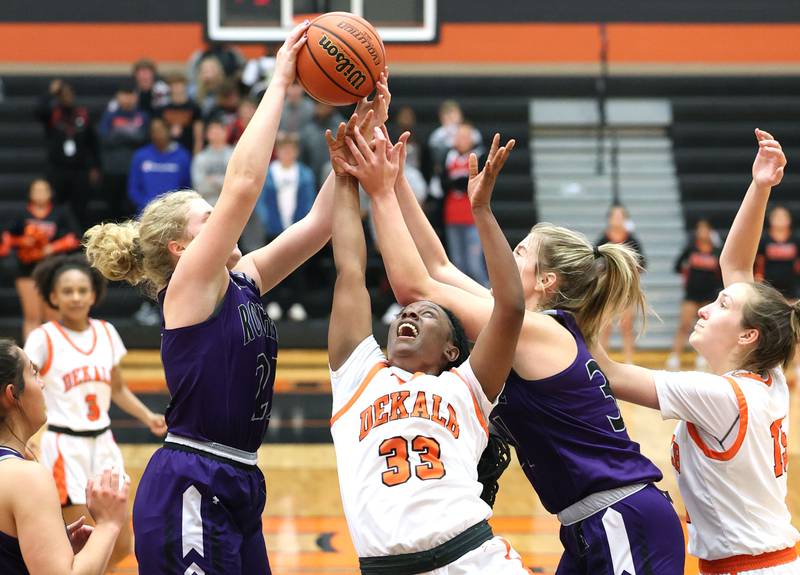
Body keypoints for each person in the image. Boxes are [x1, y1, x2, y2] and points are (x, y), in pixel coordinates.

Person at [83, 23, 388, 574]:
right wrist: (281, 80)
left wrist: (363, 131)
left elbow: (319, 225)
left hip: (239, 477)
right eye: (209, 217)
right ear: (181, 248)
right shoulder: (189, 287)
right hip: (192, 481)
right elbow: (244, 186)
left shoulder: (241, 279)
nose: (224, 219)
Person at [368, 123, 684, 573]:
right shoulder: (529, 328)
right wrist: (397, 179)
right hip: (589, 523)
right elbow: (438, 267)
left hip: (621, 517)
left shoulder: (537, 331)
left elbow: (414, 288)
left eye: (519, 252)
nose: (507, 257)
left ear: (546, 281)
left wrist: (380, 191)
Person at [591, 129, 799, 575]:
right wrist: (760, 186)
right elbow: (736, 267)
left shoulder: (719, 396)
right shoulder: (768, 379)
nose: (706, 307)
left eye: (722, 305)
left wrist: (580, 302)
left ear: (748, 336)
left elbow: (608, 372)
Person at [328, 119, 529, 573]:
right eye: (405, 313)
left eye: (427, 314)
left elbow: (511, 308)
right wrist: (343, 176)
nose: (409, 315)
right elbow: (350, 270)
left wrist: (482, 211)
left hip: (470, 557)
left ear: (451, 351)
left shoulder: (467, 388)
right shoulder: (358, 376)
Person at [23, 253, 166, 567]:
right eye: (67, 291)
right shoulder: (43, 338)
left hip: (103, 444)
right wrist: (27, 438)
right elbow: (24, 391)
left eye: (82, 290)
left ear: (93, 295)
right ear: (53, 297)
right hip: (64, 447)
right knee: (85, 541)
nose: (75, 297)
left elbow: (117, 388)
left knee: (121, 544)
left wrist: (148, 416)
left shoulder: (106, 332)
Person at [0, 338, 130, 574]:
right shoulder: (25, 477)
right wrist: (108, 524)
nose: (42, 384)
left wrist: (50, 545)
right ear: (12, 394)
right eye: (34, 373)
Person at [7, 178, 80, 340]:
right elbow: (7, 239)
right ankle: (31, 354)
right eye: (36, 190)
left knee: (53, 317)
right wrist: (23, 242)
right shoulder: (21, 214)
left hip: (52, 269)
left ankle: (55, 352)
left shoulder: (60, 213)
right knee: (32, 316)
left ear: (50, 193)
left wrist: (53, 247)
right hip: (27, 269)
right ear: (30, 193)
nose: (40, 194)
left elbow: (75, 237)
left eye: (43, 190)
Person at [255, 131, 315, 321]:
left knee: (298, 266)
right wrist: (267, 221)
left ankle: (297, 303)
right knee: (272, 265)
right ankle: (272, 302)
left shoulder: (304, 174)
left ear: (296, 152)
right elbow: (260, 201)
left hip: (297, 227)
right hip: (274, 227)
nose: (287, 153)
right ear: (278, 152)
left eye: (290, 150)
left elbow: (309, 200)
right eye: (283, 150)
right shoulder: (269, 172)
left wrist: (303, 222)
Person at [35, 79, 99, 229]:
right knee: (55, 206)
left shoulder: (83, 115)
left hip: (79, 169)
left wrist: (95, 167)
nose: (67, 97)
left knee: (81, 208)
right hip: (57, 169)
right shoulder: (52, 114)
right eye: (63, 94)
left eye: (69, 94)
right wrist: (50, 93)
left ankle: (78, 238)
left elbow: (93, 143)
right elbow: (38, 111)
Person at [666, 218, 722, 371]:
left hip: (709, 296)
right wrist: (687, 274)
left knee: (706, 328)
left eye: (705, 229)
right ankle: (675, 355)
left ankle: (703, 356)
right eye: (700, 229)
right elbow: (677, 266)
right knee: (684, 325)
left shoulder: (716, 251)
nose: (703, 232)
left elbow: (721, 272)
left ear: (710, 232)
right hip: (691, 294)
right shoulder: (690, 249)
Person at [597, 204, 647, 364]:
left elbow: (643, 264)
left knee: (626, 325)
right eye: (615, 216)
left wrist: (630, 270)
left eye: (620, 216)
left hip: (626, 289)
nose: (617, 219)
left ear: (625, 219)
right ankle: (602, 361)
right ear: (609, 219)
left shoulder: (632, 240)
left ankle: (628, 360)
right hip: (607, 289)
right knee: (605, 325)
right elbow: (594, 263)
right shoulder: (603, 240)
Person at [98, 79, 149, 221]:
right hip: (113, 169)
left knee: (133, 210)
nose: (127, 98)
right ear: (118, 96)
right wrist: (130, 133)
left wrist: (118, 132)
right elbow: (105, 139)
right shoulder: (109, 116)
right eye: (124, 94)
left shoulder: (143, 116)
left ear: (136, 96)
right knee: (113, 210)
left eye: (130, 94)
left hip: (136, 170)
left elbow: (142, 138)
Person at [127, 117, 192, 215]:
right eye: (154, 131)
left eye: (161, 130)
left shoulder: (182, 156)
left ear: (169, 130)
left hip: (174, 212)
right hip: (146, 212)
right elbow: (133, 189)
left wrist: (176, 208)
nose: (158, 134)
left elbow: (187, 188)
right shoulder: (141, 156)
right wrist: (146, 206)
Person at [756, 205, 800, 299]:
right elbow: (759, 261)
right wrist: (758, 278)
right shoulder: (763, 239)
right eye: (776, 216)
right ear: (770, 219)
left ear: (790, 219)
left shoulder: (796, 239)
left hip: (791, 284)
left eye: (783, 216)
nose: (780, 219)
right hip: (769, 283)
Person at [156, 72, 204, 156]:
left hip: (188, 149)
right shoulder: (163, 109)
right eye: (173, 85)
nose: (176, 88)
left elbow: (198, 135)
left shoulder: (194, 107)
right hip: (167, 151)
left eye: (179, 85)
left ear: (185, 86)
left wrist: (196, 155)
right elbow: (159, 132)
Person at [191, 117, 234, 205]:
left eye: (219, 131)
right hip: (207, 204)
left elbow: (235, 184)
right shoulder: (200, 158)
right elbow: (199, 186)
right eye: (213, 132)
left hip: (231, 204)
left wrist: (212, 179)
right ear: (207, 134)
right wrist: (223, 182)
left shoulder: (234, 155)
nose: (216, 134)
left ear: (226, 132)